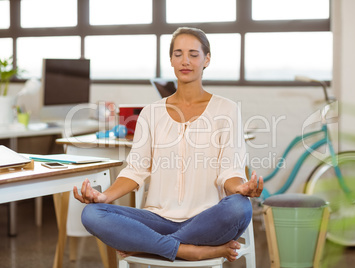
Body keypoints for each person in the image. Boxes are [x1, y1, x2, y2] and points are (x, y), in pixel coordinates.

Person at [73, 27, 263, 262]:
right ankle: (186, 250)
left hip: (207, 220)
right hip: (157, 220)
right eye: (178, 54)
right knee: (92, 213)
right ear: (171, 60)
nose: (185, 61)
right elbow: (135, 170)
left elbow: (230, 171)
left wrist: (240, 189)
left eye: (193, 54)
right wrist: (104, 197)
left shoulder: (227, 109)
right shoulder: (151, 113)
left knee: (239, 207)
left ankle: (149, 246)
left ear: (207, 59)